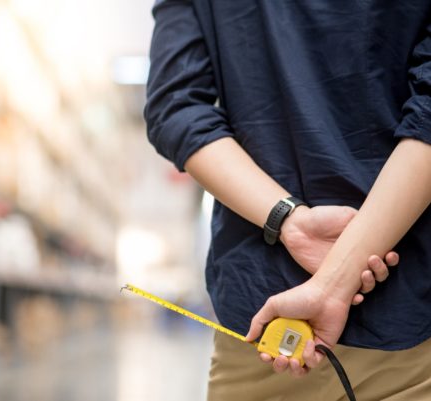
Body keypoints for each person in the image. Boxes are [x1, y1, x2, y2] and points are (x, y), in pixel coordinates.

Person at [144, 0, 431, 399]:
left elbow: (175, 107)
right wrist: (339, 276)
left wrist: (289, 219)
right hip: (409, 310)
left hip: (269, 322)